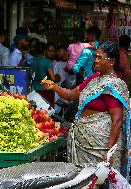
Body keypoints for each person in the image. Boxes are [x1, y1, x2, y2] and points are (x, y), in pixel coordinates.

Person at [41, 41, 130, 177]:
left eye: (100, 57)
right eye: (96, 56)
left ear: (112, 61)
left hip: (100, 147)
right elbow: (71, 95)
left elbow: (117, 120)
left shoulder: (113, 85)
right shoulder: (94, 78)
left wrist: (109, 151)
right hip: (83, 144)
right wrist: (54, 87)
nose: (96, 60)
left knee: (98, 182)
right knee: (83, 182)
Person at [24, 42, 56, 107]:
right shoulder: (47, 62)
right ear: (44, 51)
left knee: (37, 109)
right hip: (47, 90)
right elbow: (53, 78)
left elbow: (29, 76)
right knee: (48, 111)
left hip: (35, 89)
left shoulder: (32, 61)